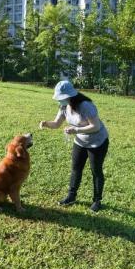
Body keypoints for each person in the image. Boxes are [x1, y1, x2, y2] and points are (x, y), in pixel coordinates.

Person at [39, 80, 109, 212]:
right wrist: (46, 124)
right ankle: (71, 196)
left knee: (96, 170)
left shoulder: (86, 106)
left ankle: (97, 200)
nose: (60, 101)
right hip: (80, 141)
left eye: (62, 98)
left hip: (97, 142)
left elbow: (96, 126)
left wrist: (76, 130)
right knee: (76, 168)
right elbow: (57, 123)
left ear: (70, 96)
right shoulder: (64, 107)